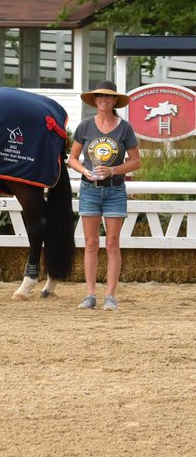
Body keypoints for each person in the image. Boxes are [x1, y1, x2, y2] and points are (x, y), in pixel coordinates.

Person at [67, 80, 141, 311]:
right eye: (99, 96)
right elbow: (72, 158)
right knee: (90, 243)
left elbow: (136, 162)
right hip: (89, 190)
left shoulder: (125, 128)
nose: (103, 100)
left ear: (115, 100)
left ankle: (110, 295)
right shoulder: (85, 126)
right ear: (95, 100)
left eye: (108, 96)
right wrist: (85, 171)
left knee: (112, 243)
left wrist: (113, 170)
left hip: (115, 189)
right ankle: (90, 294)